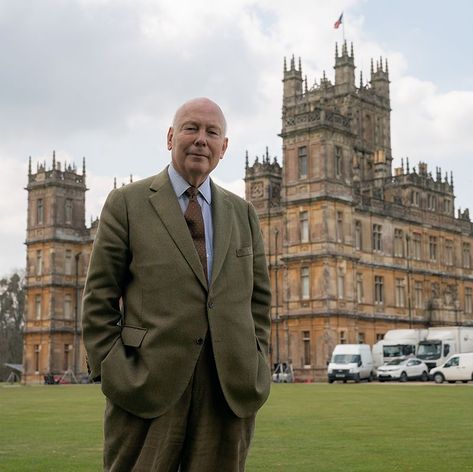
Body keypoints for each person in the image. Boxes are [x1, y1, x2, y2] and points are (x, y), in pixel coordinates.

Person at [82, 97, 272, 471]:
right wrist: (115, 369)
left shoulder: (242, 212)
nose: (201, 139)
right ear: (171, 137)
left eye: (212, 132)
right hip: (147, 388)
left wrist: (256, 361)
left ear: (224, 147)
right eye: (191, 128)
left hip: (227, 391)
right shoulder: (127, 203)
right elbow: (98, 300)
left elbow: (259, 300)